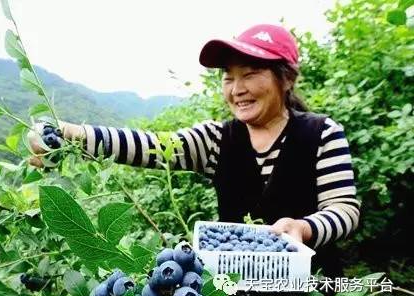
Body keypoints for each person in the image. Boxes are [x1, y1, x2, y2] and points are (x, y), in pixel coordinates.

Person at [28, 24, 360, 281]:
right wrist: (69, 134)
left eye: (250, 74)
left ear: (286, 79)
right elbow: (148, 145)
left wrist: (304, 228)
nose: (237, 88)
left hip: (314, 289)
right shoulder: (216, 139)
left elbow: (344, 209)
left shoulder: (321, 134)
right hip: (235, 290)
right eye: (228, 77)